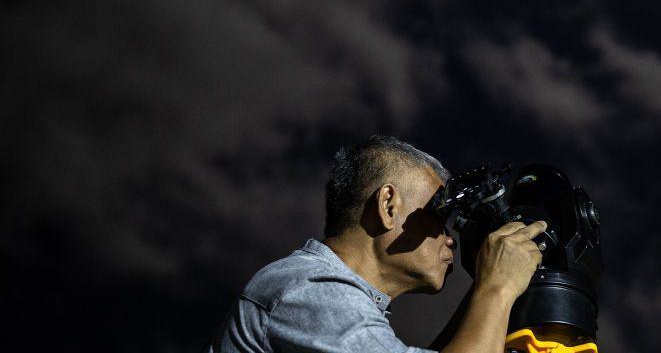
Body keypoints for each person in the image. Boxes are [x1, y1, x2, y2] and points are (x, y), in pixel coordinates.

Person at [206, 135, 546, 353]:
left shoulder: (321, 297)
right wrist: (497, 289)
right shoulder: (306, 290)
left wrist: (487, 289)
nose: (449, 239)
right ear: (388, 206)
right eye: (438, 218)